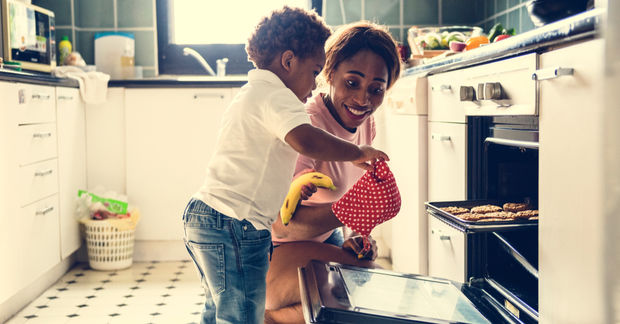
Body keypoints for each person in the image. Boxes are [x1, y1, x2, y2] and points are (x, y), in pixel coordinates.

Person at [182, 7, 389, 324]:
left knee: (219, 307)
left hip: (210, 215)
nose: (315, 83)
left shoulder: (252, 93)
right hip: (236, 222)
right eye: (314, 72)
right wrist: (356, 152)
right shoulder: (278, 97)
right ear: (289, 61)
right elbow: (307, 140)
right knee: (241, 313)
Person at [264, 21, 401, 324]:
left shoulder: (365, 123)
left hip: (317, 242)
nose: (363, 100)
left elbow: (351, 194)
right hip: (268, 249)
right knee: (361, 288)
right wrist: (352, 210)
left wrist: (358, 237)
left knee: (358, 291)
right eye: (352, 83)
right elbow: (280, 227)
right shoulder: (307, 128)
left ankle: (269, 316)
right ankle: (263, 313)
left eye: (376, 90)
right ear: (329, 73)